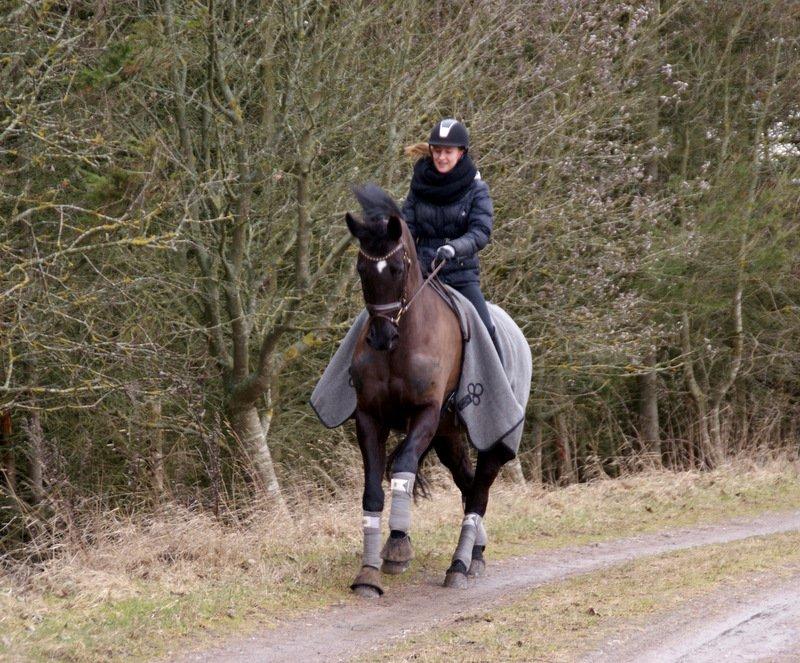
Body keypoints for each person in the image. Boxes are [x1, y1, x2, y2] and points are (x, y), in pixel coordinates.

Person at [402, 118, 503, 364]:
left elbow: (481, 231)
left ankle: (497, 395)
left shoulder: (477, 189)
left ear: (461, 153)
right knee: (374, 319)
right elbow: (407, 227)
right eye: (437, 151)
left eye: (448, 152)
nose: (441, 157)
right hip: (421, 276)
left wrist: (454, 248)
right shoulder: (419, 186)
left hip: (460, 276)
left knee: (486, 331)